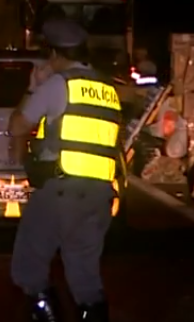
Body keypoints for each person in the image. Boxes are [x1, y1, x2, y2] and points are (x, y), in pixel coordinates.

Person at [7, 18, 122, 322]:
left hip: (61, 191)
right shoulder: (107, 87)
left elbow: (18, 125)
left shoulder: (60, 84)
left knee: (28, 269)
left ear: (56, 54)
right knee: (85, 278)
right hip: (99, 194)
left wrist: (33, 88)